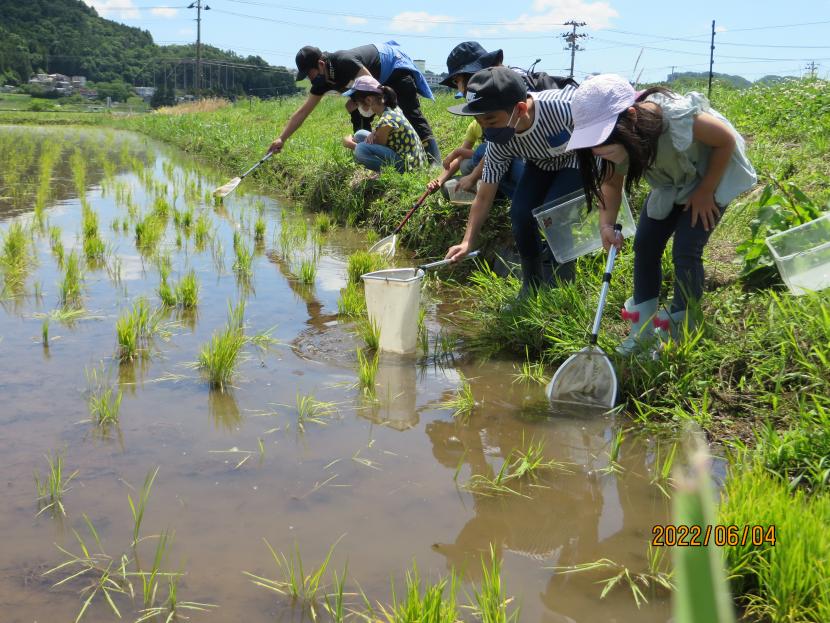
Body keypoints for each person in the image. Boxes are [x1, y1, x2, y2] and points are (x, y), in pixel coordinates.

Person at [566, 74, 757, 353]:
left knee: (686, 248)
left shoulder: (676, 117)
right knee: (645, 245)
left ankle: (682, 328)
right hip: (671, 183)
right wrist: (606, 225)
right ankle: (642, 331)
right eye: (591, 142)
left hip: (710, 176)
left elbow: (725, 140)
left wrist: (705, 191)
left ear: (631, 116)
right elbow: (611, 183)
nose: (597, 149)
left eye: (602, 139)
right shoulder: (615, 142)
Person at [444, 67, 582, 296]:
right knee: (519, 213)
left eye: (490, 120)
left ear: (519, 109)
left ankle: (562, 290)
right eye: (480, 122)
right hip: (541, 163)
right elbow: (485, 194)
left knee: (553, 213)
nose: (486, 130)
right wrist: (467, 241)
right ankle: (531, 285)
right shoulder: (499, 142)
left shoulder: (564, 108)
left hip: (579, 161)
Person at [269, 41, 441, 164]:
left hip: (394, 69)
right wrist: (281, 138)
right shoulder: (322, 80)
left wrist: (377, 128)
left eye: (309, 73)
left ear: (321, 64)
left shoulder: (344, 61)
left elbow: (373, 88)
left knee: (411, 114)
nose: (309, 78)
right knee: (357, 113)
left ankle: (435, 163)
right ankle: (384, 157)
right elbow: (303, 112)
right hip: (374, 83)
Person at [428, 42, 524, 200]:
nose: (459, 89)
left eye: (457, 81)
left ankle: (512, 196)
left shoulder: (512, 88)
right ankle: (498, 192)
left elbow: (496, 150)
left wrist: (472, 177)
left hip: (530, 163)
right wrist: (440, 179)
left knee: (481, 153)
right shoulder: (481, 118)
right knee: (466, 166)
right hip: (505, 163)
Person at [341, 76, 427, 173]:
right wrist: (374, 132)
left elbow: (378, 145)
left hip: (408, 166)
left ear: (369, 100)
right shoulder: (392, 109)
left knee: (361, 149)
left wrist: (351, 145)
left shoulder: (386, 120)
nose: (358, 107)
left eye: (358, 103)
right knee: (359, 134)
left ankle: (389, 172)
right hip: (410, 158)